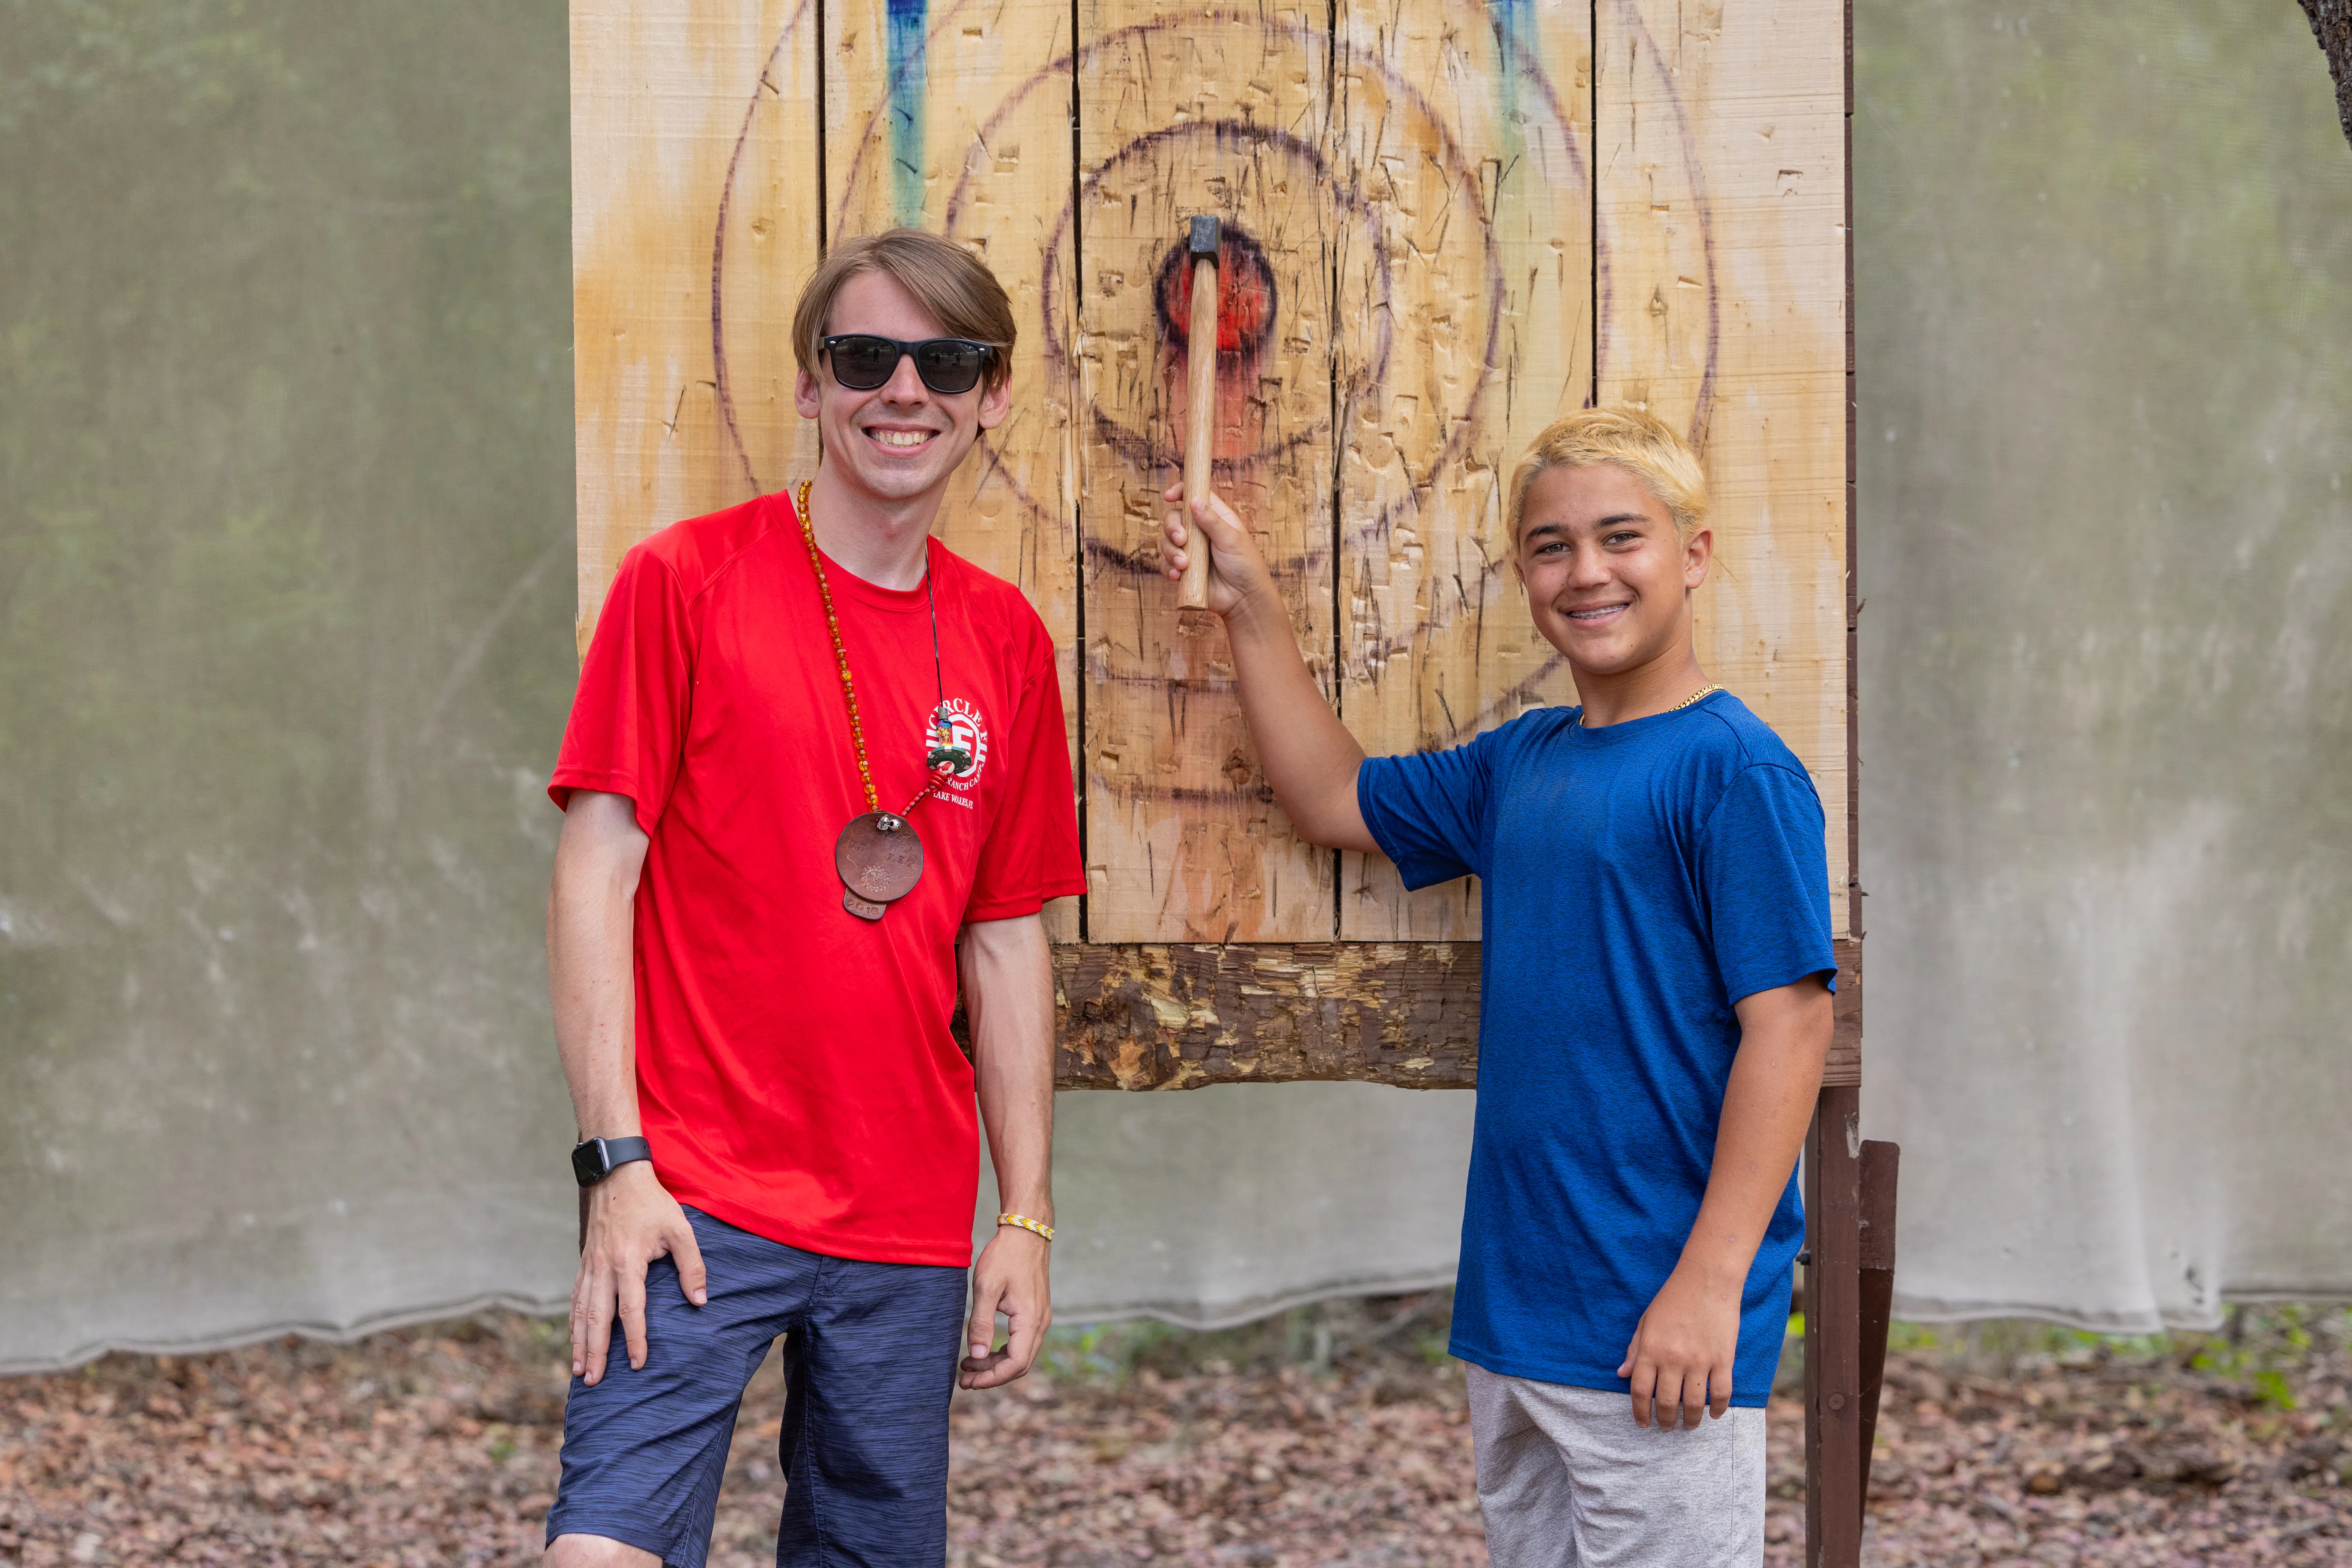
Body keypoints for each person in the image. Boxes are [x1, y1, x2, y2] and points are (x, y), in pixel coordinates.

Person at [1160, 406, 1835, 1565]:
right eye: (1550, 546)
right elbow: (1331, 795)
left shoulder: (1735, 771)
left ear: (1694, 553)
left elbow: (1790, 1023)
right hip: (1517, 1310)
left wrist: (1709, 1284)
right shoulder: (1518, 764)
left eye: (1621, 537)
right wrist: (1248, 601)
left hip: (1659, 1327)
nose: (1586, 572)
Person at [543, 228, 1085, 1568]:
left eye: (943, 359)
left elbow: (1006, 944)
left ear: (991, 392)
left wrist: (1022, 1215)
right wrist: (616, 1163)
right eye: (864, 356)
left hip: (906, 1209)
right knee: (599, 1547)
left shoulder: (1008, 637)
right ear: (810, 382)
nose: (903, 390)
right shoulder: (684, 581)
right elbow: (593, 873)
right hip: (692, 1189)